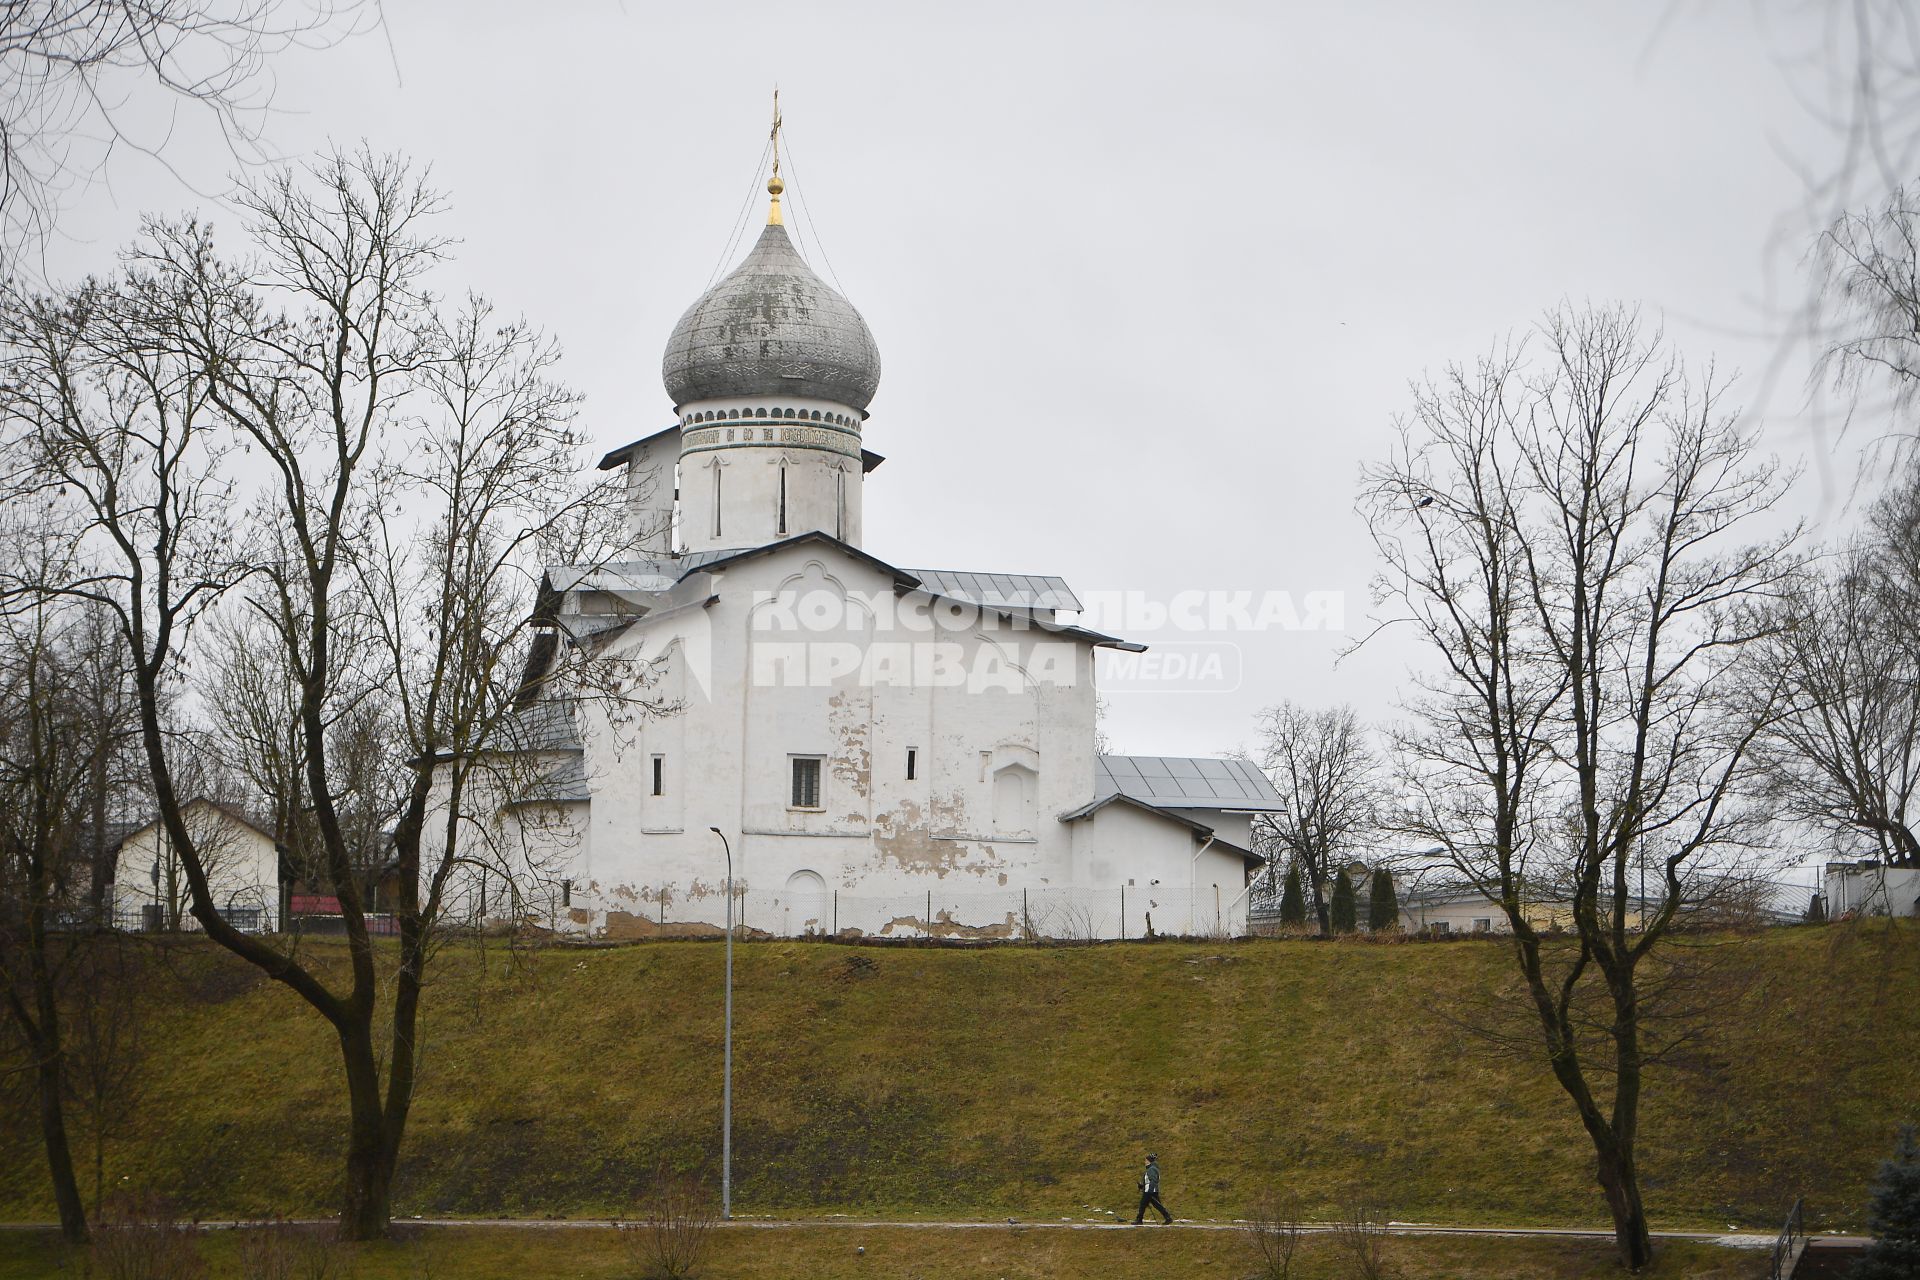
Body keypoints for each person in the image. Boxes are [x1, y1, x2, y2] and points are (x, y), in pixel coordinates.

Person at [1134, 1153, 1172, 1224]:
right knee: (1157, 1205)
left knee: (1143, 1205)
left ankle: (1139, 1220)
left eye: (1145, 1160)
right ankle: (1168, 1217)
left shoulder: (1151, 1169)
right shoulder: (1153, 1169)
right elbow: (1150, 1181)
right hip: (1151, 1190)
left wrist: (1150, 1191)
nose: (1144, 1162)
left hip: (1149, 1191)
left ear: (1149, 1161)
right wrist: (1142, 1186)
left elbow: (1153, 1180)